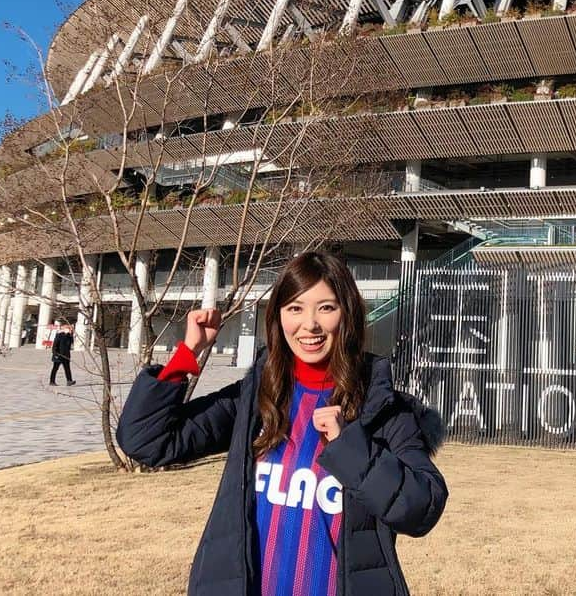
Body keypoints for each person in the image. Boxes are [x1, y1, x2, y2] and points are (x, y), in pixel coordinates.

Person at [117, 251, 447, 596]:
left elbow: (422, 509)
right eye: (295, 308)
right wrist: (188, 352)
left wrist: (352, 447)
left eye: (326, 307)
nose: (310, 325)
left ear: (348, 315)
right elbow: (147, 441)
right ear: (278, 318)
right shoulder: (256, 399)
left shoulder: (386, 411)